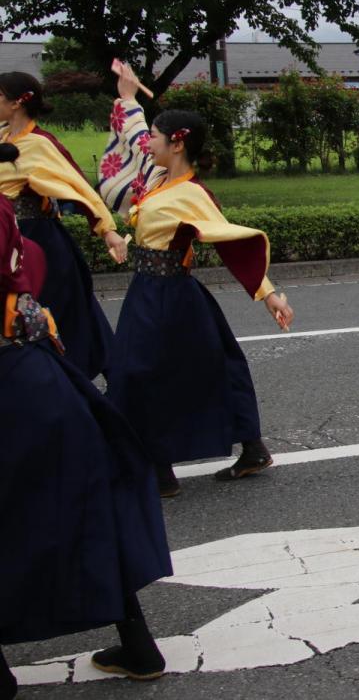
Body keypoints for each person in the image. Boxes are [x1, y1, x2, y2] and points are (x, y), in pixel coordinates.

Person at [0, 148, 172, 694]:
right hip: (39, 377)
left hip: (10, 385)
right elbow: (32, 260)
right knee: (84, 505)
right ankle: (139, 645)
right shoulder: (5, 215)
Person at [99, 63, 294, 498]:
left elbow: (231, 241)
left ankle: (161, 469)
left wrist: (269, 294)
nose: (146, 141)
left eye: (155, 136)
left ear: (176, 143)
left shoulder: (190, 194)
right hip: (151, 291)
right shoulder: (157, 178)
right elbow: (132, 137)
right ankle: (235, 450)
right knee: (192, 367)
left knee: (141, 371)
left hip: (169, 296)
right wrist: (127, 95)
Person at [0, 72, 125, 378]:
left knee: (51, 313)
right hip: (8, 235)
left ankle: (61, 381)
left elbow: (77, 185)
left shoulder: (40, 144)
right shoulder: (3, 137)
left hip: (35, 240)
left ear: (17, 103)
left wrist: (107, 229)